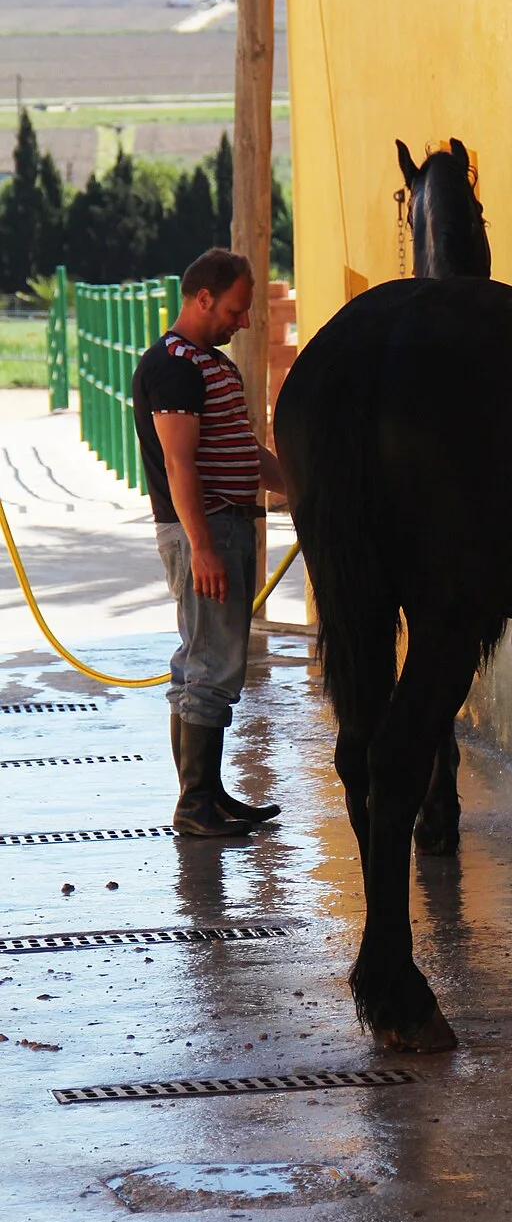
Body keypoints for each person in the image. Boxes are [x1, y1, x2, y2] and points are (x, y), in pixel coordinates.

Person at [132, 247, 290, 839]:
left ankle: (209, 795)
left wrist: (298, 491)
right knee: (212, 666)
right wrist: (201, 546)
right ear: (202, 298)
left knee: (199, 661)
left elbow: (245, 452)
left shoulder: (208, 362)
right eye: (235, 309)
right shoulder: (173, 366)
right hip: (206, 528)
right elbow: (180, 464)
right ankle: (194, 806)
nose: (243, 321)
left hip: (224, 525)